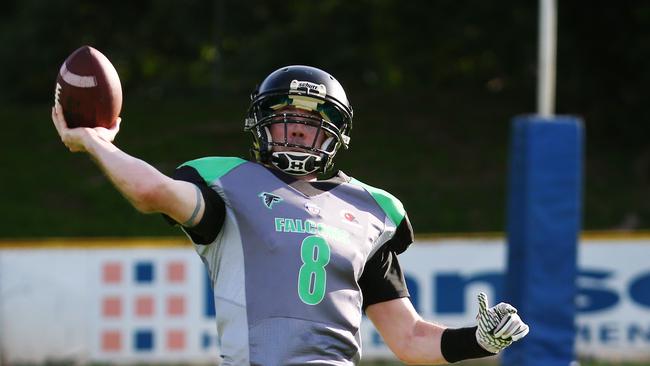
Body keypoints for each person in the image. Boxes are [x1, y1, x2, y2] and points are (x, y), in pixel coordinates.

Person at [52, 65, 529, 365]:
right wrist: (94, 139)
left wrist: (479, 341)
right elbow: (149, 191)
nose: (297, 133)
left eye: (311, 123)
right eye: (286, 118)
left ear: (335, 136)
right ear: (261, 123)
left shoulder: (371, 210)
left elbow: (409, 338)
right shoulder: (228, 187)